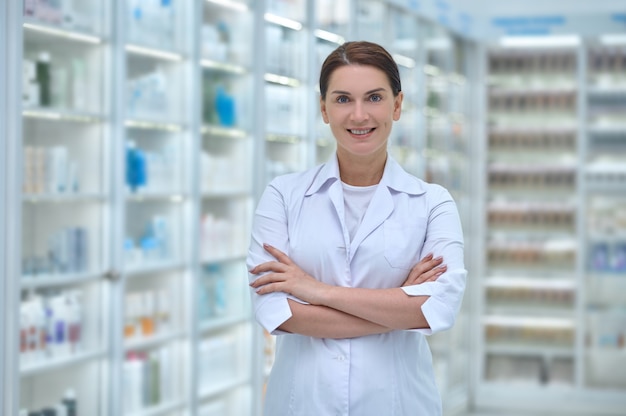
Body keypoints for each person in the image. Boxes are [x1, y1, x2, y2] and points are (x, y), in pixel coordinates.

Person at [247, 40, 467, 416]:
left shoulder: (433, 202)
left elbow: (437, 309)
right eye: (343, 99)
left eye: (375, 98)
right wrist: (397, 302)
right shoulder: (282, 196)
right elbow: (278, 312)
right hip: (303, 403)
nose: (359, 115)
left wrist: (314, 290)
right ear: (324, 109)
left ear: (397, 106)